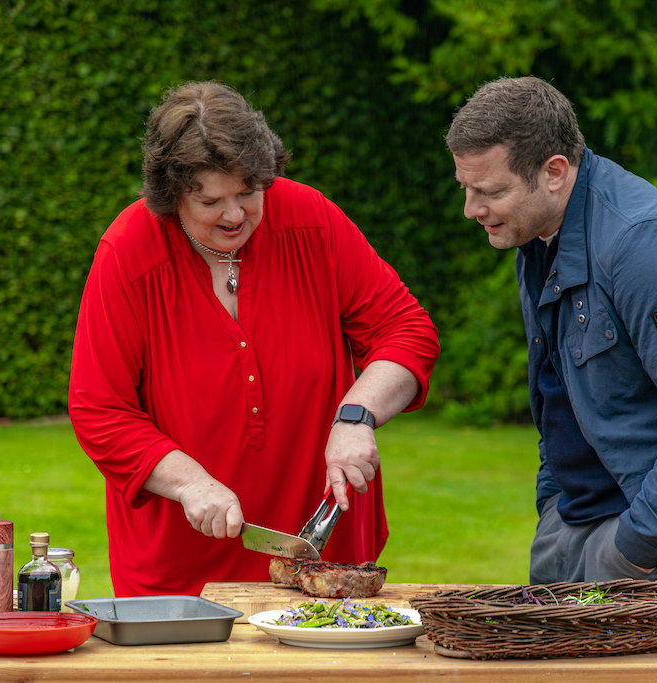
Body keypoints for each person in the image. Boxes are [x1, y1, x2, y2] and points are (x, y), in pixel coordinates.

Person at [446, 76, 657, 656]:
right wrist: (554, 505)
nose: (472, 210)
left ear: (553, 171)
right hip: (569, 526)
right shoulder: (536, 231)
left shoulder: (645, 246)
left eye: (489, 191)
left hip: (645, 546)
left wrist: (635, 547)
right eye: (466, 188)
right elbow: (559, 389)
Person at [69, 80, 439, 597]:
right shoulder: (129, 252)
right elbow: (99, 409)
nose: (235, 215)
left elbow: (405, 329)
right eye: (210, 201)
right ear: (170, 195)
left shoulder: (310, 221)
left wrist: (358, 415)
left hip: (323, 560)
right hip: (179, 575)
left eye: (248, 192)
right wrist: (190, 483)